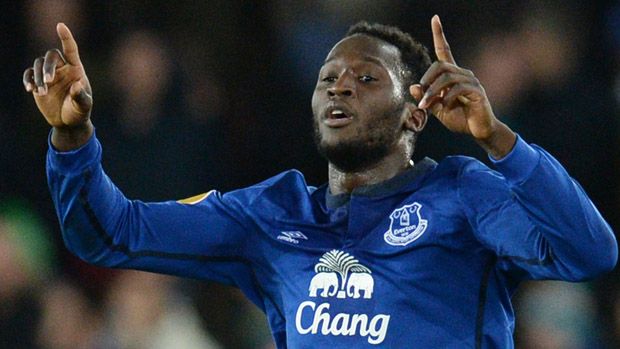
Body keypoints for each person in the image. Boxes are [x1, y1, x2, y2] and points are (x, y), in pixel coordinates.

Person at [23, 15, 617, 348]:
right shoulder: (270, 215)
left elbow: (589, 252)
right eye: (329, 77)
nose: (339, 86)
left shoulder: (465, 195)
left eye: (366, 77)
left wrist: (499, 143)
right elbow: (109, 232)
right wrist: (73, 140)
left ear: (417, 111)